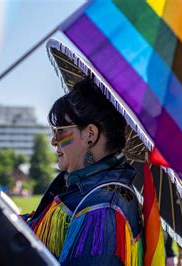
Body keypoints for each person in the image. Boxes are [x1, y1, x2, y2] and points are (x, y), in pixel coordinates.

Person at [24, 78, 143, 265]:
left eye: (60, 130)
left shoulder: (104, 209)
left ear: (90, 135)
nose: (54, 141)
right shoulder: (81, 188)